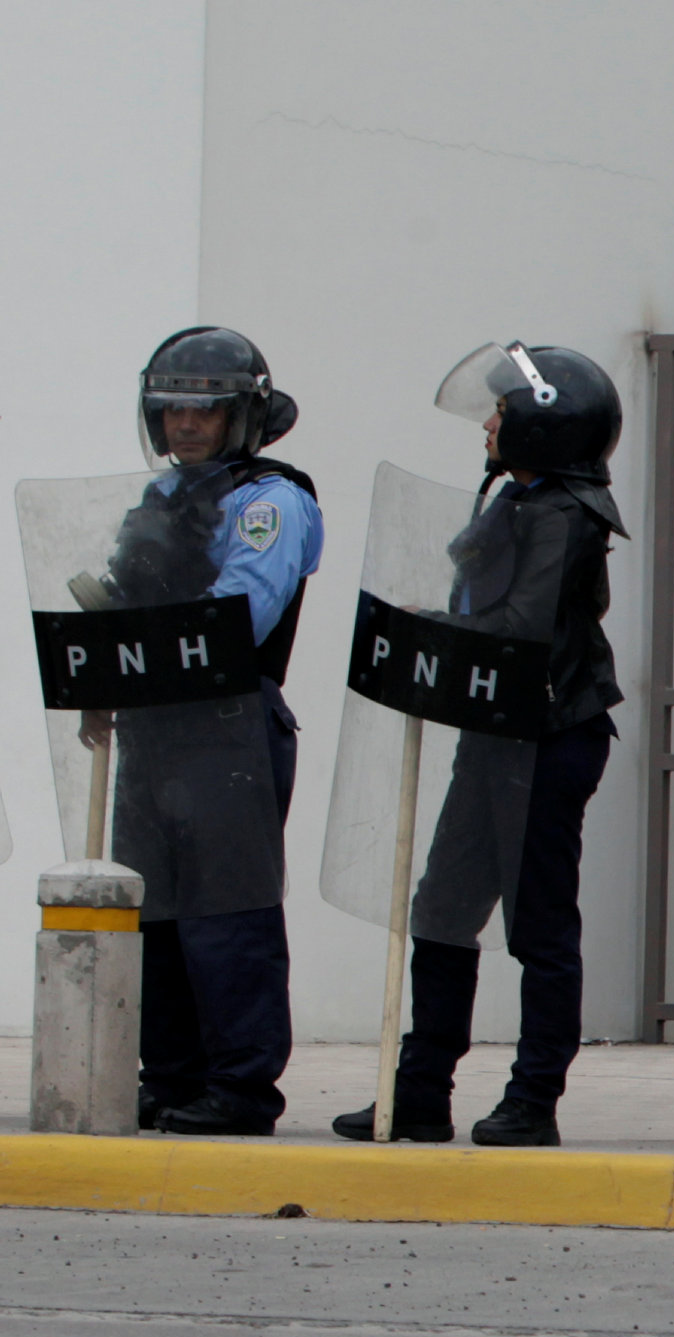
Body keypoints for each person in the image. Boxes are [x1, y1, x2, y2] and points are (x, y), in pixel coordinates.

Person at [335, 342, 624, 1146]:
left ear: (543, 425)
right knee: (443, 907)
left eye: (503, 412)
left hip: (546, 736)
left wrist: (436, 631)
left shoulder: (566, 513)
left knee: (538, 928)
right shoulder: (517, 499)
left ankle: (533, 1099)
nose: (490, 424)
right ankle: (420, 1089)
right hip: (496, 735)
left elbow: (519, 627)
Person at [94, 329, 322, 1136]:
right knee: (153, 913)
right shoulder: (158, 500)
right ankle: (171, 1076)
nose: (186, 425)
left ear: (243, 415)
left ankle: (241, 1087)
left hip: (228, 727)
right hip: (155, 726)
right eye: (173, 410)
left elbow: (239, 614)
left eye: (205, 408)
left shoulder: (270, 501)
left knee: (228, 917)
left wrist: (144, 646)